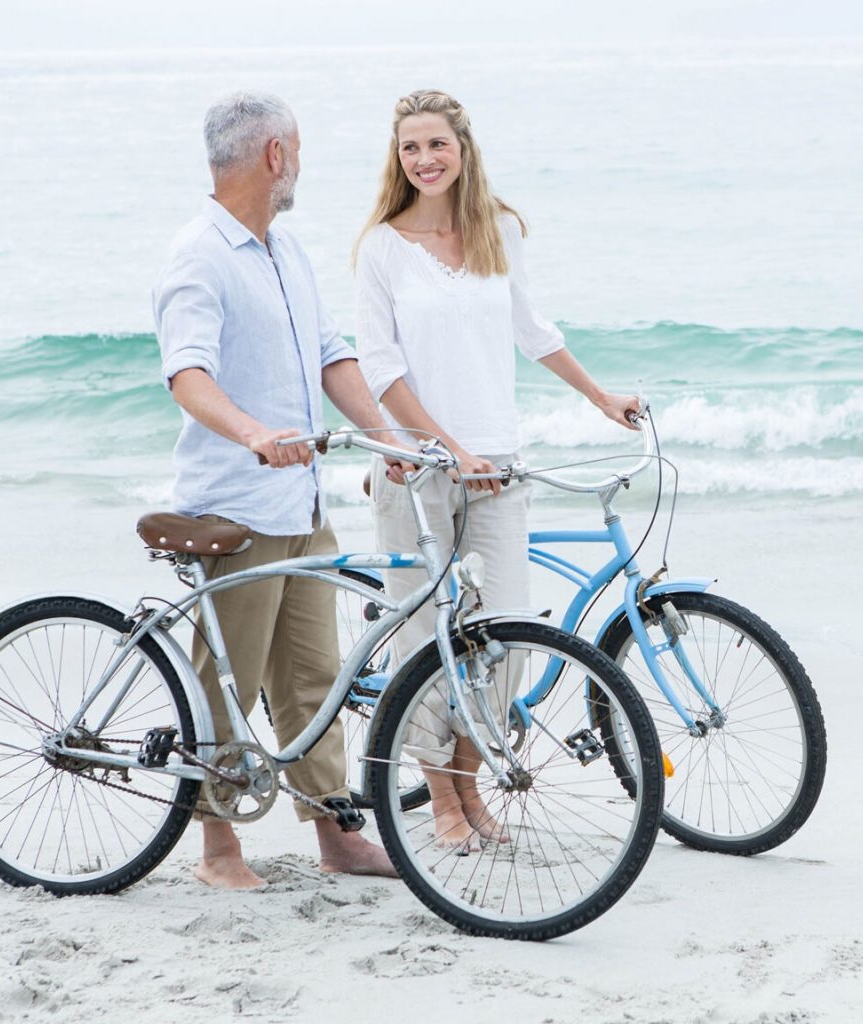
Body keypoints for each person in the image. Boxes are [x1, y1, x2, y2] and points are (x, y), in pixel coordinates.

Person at [354, 88, 640, 852]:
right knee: (426, 638)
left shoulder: (498, 230)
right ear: (398, 156)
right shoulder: (381, 246)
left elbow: (530, 329)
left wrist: (599, 395)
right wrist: (447, 448)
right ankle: (443, 801)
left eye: (436, 145)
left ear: (463, 148)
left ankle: (472, 784)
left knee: (502, 636)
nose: (424, 160)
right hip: (416, 465)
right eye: (410, 148)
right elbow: (379, 369)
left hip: (496, 461)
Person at [152, 91, 404, 889]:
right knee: (225, 679)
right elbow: (186, 374)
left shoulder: (284, 250)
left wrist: (389, 436)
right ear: (273, 156)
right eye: (298, 147)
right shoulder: (199, 254)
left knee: (313, 677)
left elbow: (331, 355)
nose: (302, 162)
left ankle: (334, 832)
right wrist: (254, 433)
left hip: (301, 505)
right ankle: (218, 851)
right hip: (234, 506)